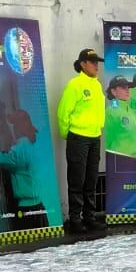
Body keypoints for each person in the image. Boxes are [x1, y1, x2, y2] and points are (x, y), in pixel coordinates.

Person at [55, 48, 105, 234]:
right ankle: (75, 220)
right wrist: (68, 134)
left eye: (97, 62)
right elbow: (63, 112)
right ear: (83, 64)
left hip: (94, 137)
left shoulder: (97, 85)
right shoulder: (75, 85)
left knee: (90, 180)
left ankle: (89, 217)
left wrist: (97, 131)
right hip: (79, 137)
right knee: (77, 180)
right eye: (92, 62)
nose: (96, 66)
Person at [104, 77, 136, 158]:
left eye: (128, 87)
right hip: (120, 158)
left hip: (135, 157)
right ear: (113, 91)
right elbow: (107, 138)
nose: (127, 90)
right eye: (123, 88)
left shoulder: (130, 110)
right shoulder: (111, 111)